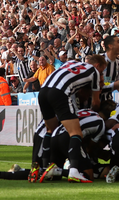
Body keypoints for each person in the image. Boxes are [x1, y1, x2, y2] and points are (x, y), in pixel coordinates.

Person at [37, 54, 107, 183]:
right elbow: (96, 103)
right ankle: (74, 171)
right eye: (102, 70)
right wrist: (92, 111)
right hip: (60, 92)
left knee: (50, 130)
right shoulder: (94, 71)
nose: (101, 74)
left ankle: (43, 167)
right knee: (75, 132)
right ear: (97, 66)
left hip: (43, 91)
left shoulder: (71, 64)